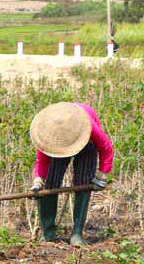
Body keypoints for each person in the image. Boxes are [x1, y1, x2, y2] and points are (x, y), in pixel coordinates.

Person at [28, 101, 113, 246]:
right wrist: (38, 180)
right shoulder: (47, 134)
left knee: (83, 183)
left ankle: (77, 233)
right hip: (56, 146)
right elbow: (42, 160)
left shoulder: (88, 126)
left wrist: (102, 176)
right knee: (50, 184)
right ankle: (48, 233)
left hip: (86, 142)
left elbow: (106, 148)